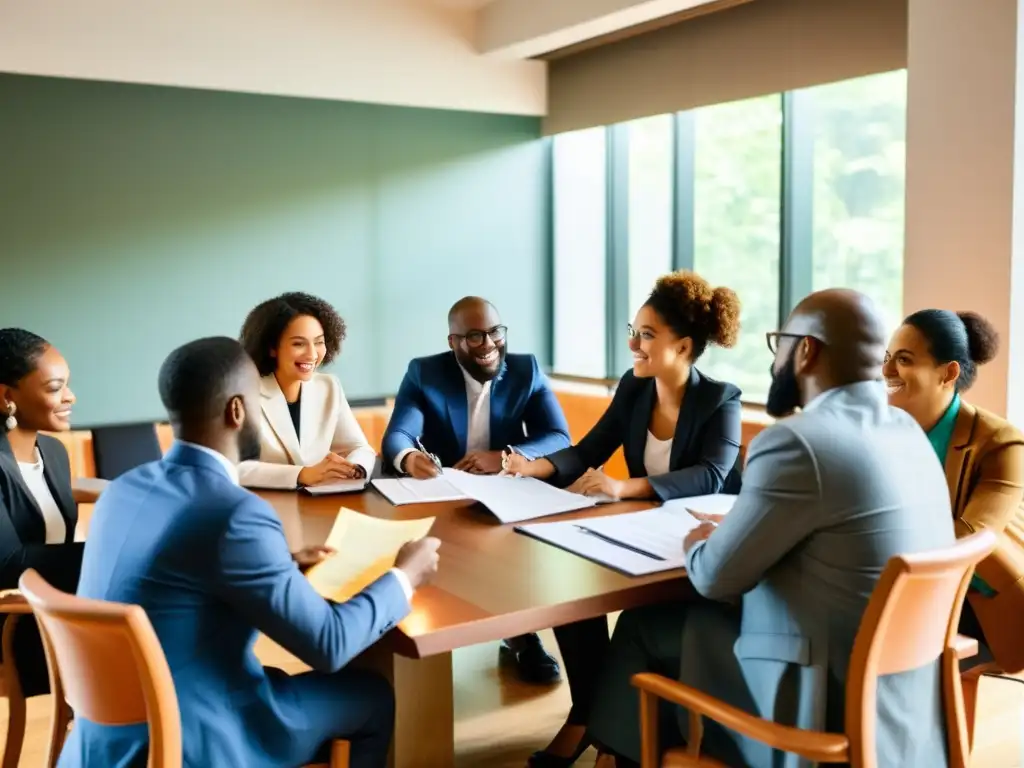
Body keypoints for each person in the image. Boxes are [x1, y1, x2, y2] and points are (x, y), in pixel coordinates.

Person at [583, 289, 955, 768]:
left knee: (642, 627)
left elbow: (715, 578)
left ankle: (614, 756)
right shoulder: (908, 433)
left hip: (817, 707)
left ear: (806, 350)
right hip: (903, 711)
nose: (775, 359)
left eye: (779, 343)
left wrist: (703, 541)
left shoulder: (796, 443)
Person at [60, 337, 441, 768]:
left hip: (106, 737)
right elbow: (329, 645)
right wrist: (405, 576)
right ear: (237, 410)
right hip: (197, 738)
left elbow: (176, 574)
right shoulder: (234, 514)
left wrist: (279, 564)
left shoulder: (124, 488)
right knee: (372, 696)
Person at [505, 270, 744, 767]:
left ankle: (603, 732)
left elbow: (711, 476)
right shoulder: (636, 391)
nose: (633, 343)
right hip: (645, 532)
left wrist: (622, 487)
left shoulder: (721, 399)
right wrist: (535, 467)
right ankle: (586, 718)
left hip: (702, 543)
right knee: (573, 594)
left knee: (631, 618)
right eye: (632, 331)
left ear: (682, 347)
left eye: (647, 335)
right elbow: (591, 448)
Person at [381, 296, 571, 684]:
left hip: (502, 489)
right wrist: (408, 459)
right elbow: (399, 434)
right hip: (440, 492)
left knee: (517, 552)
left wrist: (505, 455)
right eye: (473, 336)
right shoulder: (425, 372)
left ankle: (521, 635)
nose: (487, 344)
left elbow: (557, 436)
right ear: (454, 342)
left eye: (495, 332)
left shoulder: (526, 369)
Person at [884, 309, 1024, 670]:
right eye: (886, 358)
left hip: (979, 605)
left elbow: (969, 541)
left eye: (903, 360)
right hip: (904, 589)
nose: (885, 372)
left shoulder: (1000, 442)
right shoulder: (883, 431)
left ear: (947, 373)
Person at [0, 329, 82, 699]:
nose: (70, 397)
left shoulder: (55, 453)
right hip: (12, 625)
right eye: (54, 388)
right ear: (6, 397)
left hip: (52, 613)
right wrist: (109, 551)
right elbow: (7, 563)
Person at [237, 292, 376, 489]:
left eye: (319, 342)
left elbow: (359, 447)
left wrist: (356, 469)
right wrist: (301, 474)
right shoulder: (242, 393)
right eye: (298, 344)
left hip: (318, 504)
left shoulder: (329, 386)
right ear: (271, 348)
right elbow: (234, 467)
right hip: (266, 506)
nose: (312, 354)